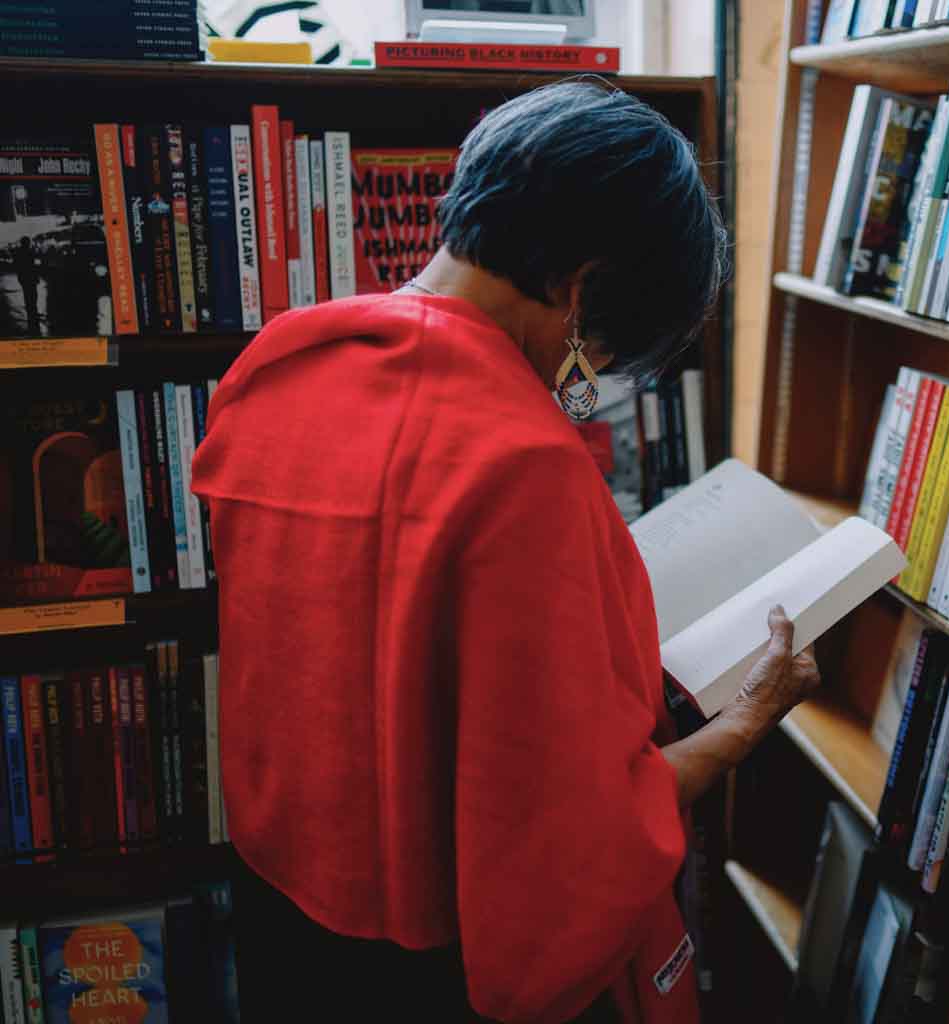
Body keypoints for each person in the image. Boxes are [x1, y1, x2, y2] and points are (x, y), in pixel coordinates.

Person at [191, 81, 819, 1023]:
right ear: (581, 289)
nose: (587, 377)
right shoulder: (524, 461)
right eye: (600, 350)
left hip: (281, 909)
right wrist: (742, 724)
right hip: (433, 968)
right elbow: (570, 845)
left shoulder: (275, 367)